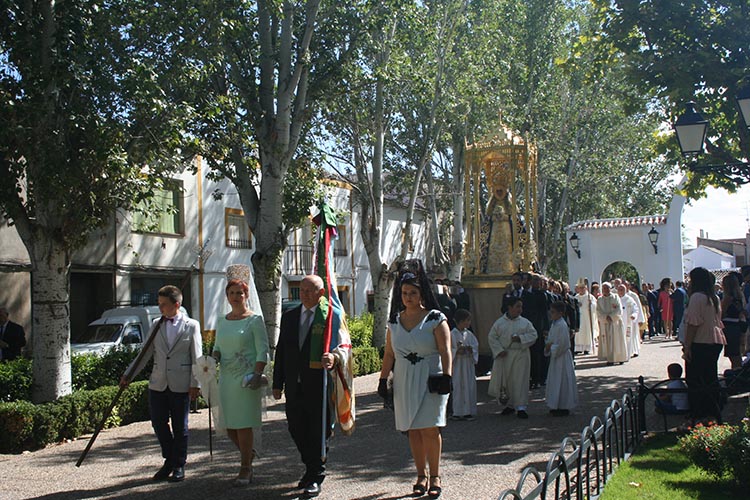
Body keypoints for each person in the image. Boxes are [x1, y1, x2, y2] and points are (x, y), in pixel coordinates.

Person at [378, 262, 451, 499]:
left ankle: (436, 475)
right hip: (404, 379)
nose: (408, 297)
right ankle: (420, 474)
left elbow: (445, 349)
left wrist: (447, 376)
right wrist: (382, 379)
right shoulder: (394, 322)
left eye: (413, 293)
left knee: (430, 428)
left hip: (431, 377)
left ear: (422, 294)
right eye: (404, 293)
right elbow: (389, 353)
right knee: (413, 430)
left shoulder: (435, 318)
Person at [120, 285, 202, 482]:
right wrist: (128, 375)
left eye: (164, 305)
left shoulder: (191, 325)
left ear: (176, 304)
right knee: (158, 423)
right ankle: (170, 459)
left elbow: (197, 357)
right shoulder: (157, 324)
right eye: (159, 304)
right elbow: (145, 353)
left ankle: (179, 464)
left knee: (180, 426)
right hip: (158, 383)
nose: (161, 308)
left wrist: (195, 383)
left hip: (180, 383)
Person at [273, 275, 340, 499]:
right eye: (301, 290)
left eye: (309, 291)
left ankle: (315, 474)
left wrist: (334, 357)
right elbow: (282, 350)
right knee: (296, 428)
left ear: (321, 293)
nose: (304, 294)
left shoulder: (330, 316)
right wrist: (277, 382)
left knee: (318, 431)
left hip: (318, 384)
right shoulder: (290, 316)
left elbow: (343, 346)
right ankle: (311, 466)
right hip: (294, 384)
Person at [212, 278, 269, 486]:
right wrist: (212, 359)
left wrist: (257, 373)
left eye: (240, 293)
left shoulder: (254, 320)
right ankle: (249, 453)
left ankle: (245, 467)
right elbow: (217, 346)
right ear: (227, 297)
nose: (236, 297)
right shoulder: (222, 320)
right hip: (226, 379)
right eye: (232, 293)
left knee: (244, 424)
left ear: (246, 295)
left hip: (246, 380)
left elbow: (263, 350)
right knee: (228, 425)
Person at [682, 267, 726, 424]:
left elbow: (694, 324)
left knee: (695, 378)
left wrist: (687, 346)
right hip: (714, 340)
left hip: (700, 341)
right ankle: (712, 409)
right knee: (709, 377)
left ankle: (699, 411)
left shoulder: (697, 298)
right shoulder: (713, 297)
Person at [487, 296, 538, 419]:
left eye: (521, 306)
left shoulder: (525, 322)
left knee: (520, 380)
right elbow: (492, 337)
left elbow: (533, 335)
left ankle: (521, 406)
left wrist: (520, 338)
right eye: (517, 306)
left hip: (521, 354)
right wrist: (499, 350)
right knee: (507, 380)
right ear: (509, 307)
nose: (520, 309)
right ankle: (509, 405)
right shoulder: (500, 323)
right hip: (506, 355)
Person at [545, 302, 578, 416]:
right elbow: (552, 338)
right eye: (551, 311)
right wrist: (548, 344)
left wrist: (552, 347)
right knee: (555, 380)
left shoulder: (562, 325)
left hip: (562, 357)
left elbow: (563, 344)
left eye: (553, 312)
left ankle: (563, 405)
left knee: (563, 381)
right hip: (556, 358)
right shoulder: (554, 324)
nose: (551, 314)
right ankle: (555, 404)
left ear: (560, 313)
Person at [449, 309, 478, 421]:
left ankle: (468, 411)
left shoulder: (469, 334)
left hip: (467, 363)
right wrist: (456, 351)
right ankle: (457, 411)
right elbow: (448, 348)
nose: (468, 323)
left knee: (469, 385)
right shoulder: (452, 334)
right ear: (460, 321)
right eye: (467, 320)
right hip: (458, 365)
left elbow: (475, 346)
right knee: (458, 386)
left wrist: (471, 350)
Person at [523, 275, 550, 389]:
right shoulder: (525, 294)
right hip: (526, 327)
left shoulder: (541, 295)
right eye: (533, 281)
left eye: (537, 281)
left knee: (537, 353)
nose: (535, 283)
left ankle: (538, 378)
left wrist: (545, 328)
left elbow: (545, 313)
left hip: (538, 326)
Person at [596, 283, 628, 365]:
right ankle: (610, 359)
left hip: (615, 322)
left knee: (617, 340)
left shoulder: (615, 297)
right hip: (606, 323)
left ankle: (621, 357)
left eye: (607, 288)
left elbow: (619, 309)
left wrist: (612, 316)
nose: (605, 290)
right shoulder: (599, 299)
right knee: (608, 341)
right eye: (603, 288)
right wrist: (605, 317)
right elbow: (598, 311)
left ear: (610, 289)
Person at [720, 273, 746, 370]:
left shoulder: (727, 298)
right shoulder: (739, 297)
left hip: (729, 327)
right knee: (737, 353)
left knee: (733, 355)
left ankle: (736, 372)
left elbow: (722, 314)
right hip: (738, 325)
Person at [574, 280, 598, 355]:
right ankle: (578, 348)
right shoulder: (576, 297)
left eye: (582, 288)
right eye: (580, 288)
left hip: (587, 318)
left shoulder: (590, 297)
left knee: (587, 333)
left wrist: (591, 304)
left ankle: (587, 348)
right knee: (579, 334)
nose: (581, 289)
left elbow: (595, 307)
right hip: (579, 318)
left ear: (586, 288)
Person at [617, 284, 640, 359]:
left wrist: (634, 315)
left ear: (625, 290)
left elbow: (635, 309)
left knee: (627, 337)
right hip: (617, 323)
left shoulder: (629, 299)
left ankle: (627, 354)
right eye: (619, 290)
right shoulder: (615, 299)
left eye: (622, 290)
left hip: (627, 322)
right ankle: (619, 354)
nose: (620, 291)